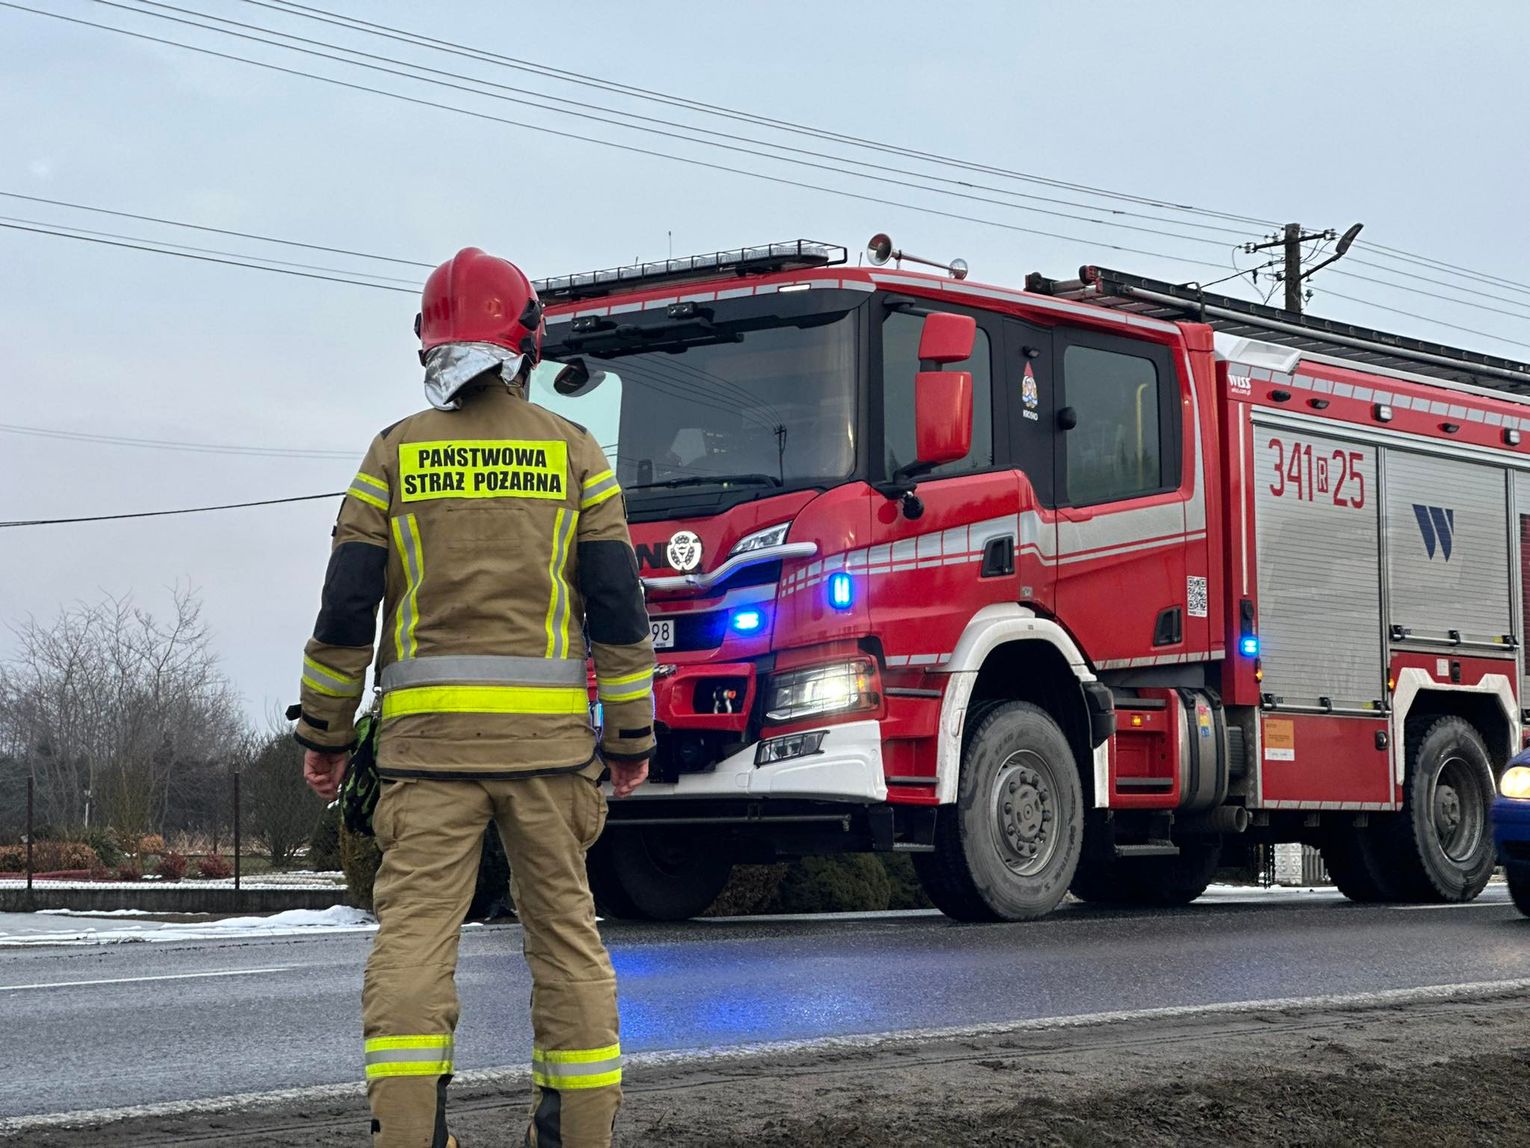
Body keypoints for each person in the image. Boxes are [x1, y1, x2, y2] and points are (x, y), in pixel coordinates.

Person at [291, 247, 655, 1148]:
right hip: (551, 760)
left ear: (431, 345)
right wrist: (632, 739)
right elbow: (618, 609)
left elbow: (346, 609)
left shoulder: (395, 453)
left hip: (427, 758)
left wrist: (326, 733)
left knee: (414, 946)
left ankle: (411, 1137)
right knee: (566, 944)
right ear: (529, 344)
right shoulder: (575, 454)